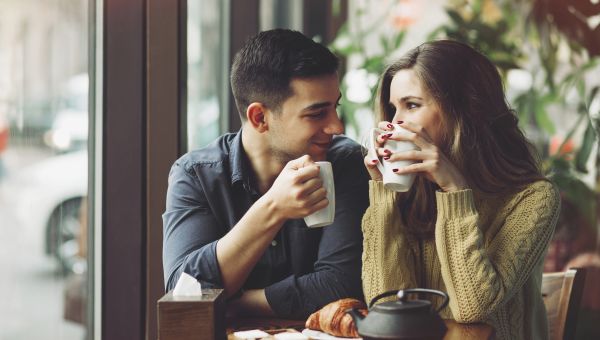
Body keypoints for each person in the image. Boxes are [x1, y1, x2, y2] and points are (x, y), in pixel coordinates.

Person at [162, 29, 369, 319]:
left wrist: (233, 303)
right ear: (259, 117)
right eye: (317, 113)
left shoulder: (345, 162)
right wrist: (273, 207)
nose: (337, 127)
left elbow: (341, 284)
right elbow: (184, 294)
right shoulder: (197, 176)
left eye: (335, 107)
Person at [361, 40, 560, 339]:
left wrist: (454, 190)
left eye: (411, 105)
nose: (394, 122)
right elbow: (385, 307)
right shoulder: (410, 194)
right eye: (392, 108)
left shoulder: (533, 198)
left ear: (462, 109)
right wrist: (384, 193)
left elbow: (472, 308)